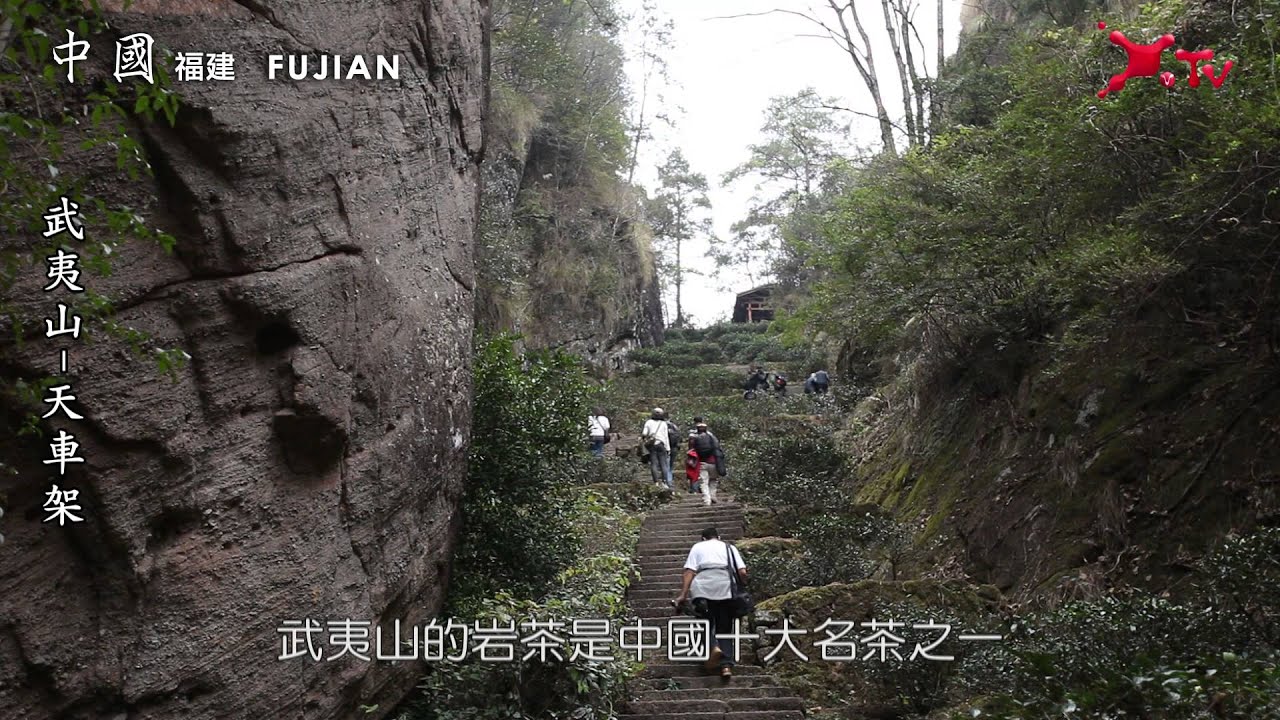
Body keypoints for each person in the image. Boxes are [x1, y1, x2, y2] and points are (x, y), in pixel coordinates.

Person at [673, 527, 748, 678]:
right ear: (718, 537)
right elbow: (742, 572)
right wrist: (743, 586)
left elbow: (689, 571)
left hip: (703, 588)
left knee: (705, 622)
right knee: (725, 627)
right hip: (725, 587)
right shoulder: (729, 547)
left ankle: (713, 647)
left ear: (703, 538)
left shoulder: (698, 547)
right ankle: (726, 666)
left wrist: (683, 595)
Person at [690, 421, 722, 505]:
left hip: (702, 463)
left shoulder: (695, 438)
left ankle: (707, 500)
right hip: (714, 462)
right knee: (713, 480)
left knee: (704, 482)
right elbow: (717, 447)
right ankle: (713, 495)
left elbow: (691, 451)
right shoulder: (712, 437)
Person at [641, 407, 673, 489]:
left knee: (654, 464)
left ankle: (656, 482)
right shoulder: (663, 423)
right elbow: (666, 437)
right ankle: (664, 482)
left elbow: (644, 433)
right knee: (664, 464)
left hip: (652, 445)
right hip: (661, 444)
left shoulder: (649, 422)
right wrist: (668, 448)